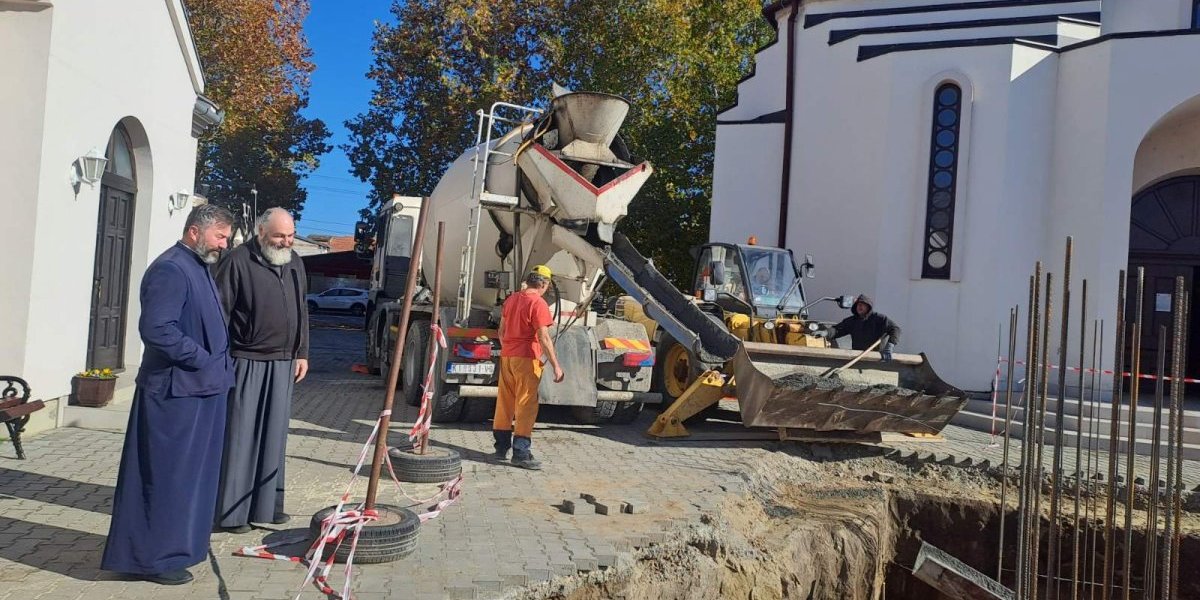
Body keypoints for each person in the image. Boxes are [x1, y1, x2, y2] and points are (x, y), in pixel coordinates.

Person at [101, 204, 235, 585]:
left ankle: (176, 549)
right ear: (195, 232)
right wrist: (203, 360)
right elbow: (158, 329)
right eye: (219, 236)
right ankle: (151, 559)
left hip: (201, 389)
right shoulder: (171, 269)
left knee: (189, 479)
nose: (224, 244)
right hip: (176, 392)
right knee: (166, 477)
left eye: (226, 237)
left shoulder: (198, 266)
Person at [212, 207, 309, 533]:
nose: (286, 241)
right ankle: (233, 514)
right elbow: (219, 314)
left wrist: (302, 353)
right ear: (262, 232)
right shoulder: (238, 260)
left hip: (284, 363)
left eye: (291, 235)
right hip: (246, 361)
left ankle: (267, 508)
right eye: (280, 235)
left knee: (274, 438)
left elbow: (302, 309)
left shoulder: (295, 262)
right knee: (242, 438)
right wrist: (219, 361)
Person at [492, 265, 565, 470]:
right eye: (548, 284)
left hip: (508, 357)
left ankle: (501, 448)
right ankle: (521, 453)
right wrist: (556, 366)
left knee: (505, 401)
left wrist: (509, 348)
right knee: (526, 404)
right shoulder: (538, 303)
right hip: (526, 358)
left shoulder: (512, 299)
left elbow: (501, 331)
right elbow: (543, 337)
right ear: (543, 283)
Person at [820, 294, 902, 361]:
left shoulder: (879, 319)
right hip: (858, 357)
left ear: (868, 307)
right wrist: (826, 332)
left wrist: (889, 346)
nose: (859, 307)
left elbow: (895, 329)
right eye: (858, 305)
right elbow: (837, 330)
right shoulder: (852, 321)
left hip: (877, 358)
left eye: (862, 305)